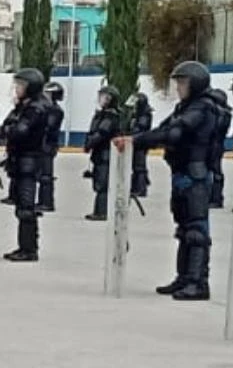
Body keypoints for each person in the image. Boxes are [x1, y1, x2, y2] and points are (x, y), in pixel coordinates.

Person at [115, 61, 218, 300]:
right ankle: (184, 277)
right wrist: (136, 139)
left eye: (183, 83)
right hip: (182, 173)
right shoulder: (186, 107)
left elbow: (173, 133)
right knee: (184, 228)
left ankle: (198, 282)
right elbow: (164, 129)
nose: (179, 88)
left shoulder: (203, 108)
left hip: (197, 175)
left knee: (196, 230)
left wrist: (136, 141)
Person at [0, 69, 53, 261]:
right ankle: (23, 247)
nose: (16, 89)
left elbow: (18, 131)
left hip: (29, 161)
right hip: (18, 160)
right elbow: (8, 125)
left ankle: (29, 249)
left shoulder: (36, 108)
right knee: (20, 205)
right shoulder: (23, 106)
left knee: (26, 207)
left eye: (21, 85)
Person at [83, 85, 121, 221]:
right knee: (99, 182)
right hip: (100, 154)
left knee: (103, 184)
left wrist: (90, 143)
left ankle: (102, 211)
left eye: (105, 97)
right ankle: (100, 210)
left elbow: (102, 133)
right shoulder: (102, 114)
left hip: (106, 154)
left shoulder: (111, 116)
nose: (102, 100)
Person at [39, 82, 65, 212]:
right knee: (41, 175)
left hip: (48, 145)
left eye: (48, 93)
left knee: (46, 175)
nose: (45, 96)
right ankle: (42, 200)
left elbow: (48, 127)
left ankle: (47, 202)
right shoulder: (47, 108)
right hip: (43, 144)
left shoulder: (55, 110)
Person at [206, 88, 232, 209]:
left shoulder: (221, 113)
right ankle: (213, 196)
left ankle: (216, 197)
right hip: (214, 144)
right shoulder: (222, 112)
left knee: (215, 172)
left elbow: (215, 129)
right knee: (212, 171)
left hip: (215, 144)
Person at [126, 92, 152, 198]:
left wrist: (131, 133)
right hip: (136, 142)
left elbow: (141, 127)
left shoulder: (144, 114)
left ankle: (141, 189)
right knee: (136, 165)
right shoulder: (136, 114)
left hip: (141, 142)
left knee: (139, 166)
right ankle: (136, 186)